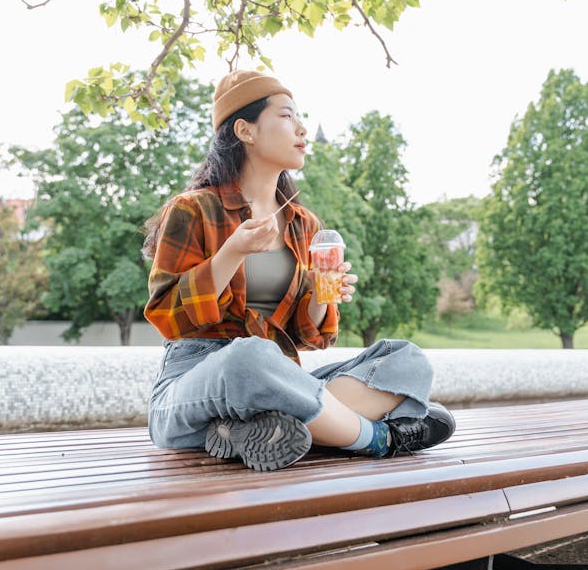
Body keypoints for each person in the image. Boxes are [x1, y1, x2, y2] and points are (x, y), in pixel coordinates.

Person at [143, 70, 455, 472]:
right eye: (288, 116)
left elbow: (308, 336)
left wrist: (324, 298)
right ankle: (377, 438)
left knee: (407, 360)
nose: (302, 128)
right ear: (245, 130)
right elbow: (169, 318)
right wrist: (232, 252)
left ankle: (259, 430)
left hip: (281, 379)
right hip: (196, 383)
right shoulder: (192, 209)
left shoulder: (302, 224)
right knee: (250, 357)